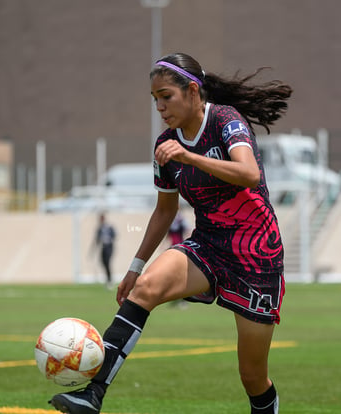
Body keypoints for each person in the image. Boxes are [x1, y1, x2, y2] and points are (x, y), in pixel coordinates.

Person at [49, 52, 292, 414]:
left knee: (252, 376)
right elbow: (164, 211)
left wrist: (189, 157)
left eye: (166, 96)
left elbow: (249, 173)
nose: (160, 106)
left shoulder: (227, 120)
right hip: (207, 245)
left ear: (192, 91)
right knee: (146, 288)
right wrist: (134, 266)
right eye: (155, 100)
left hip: (257, 253)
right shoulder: (164, 144)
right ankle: (92, 395)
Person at [93, 213, 116, 288]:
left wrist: (108, 239)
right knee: (103, 263)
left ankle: (110, 281)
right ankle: (108, 279)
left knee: (107, 262)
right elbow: (97, 239)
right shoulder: (100, 228)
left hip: (109, 247)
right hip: (103, 247)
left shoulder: (109, 227)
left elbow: (114, 235)